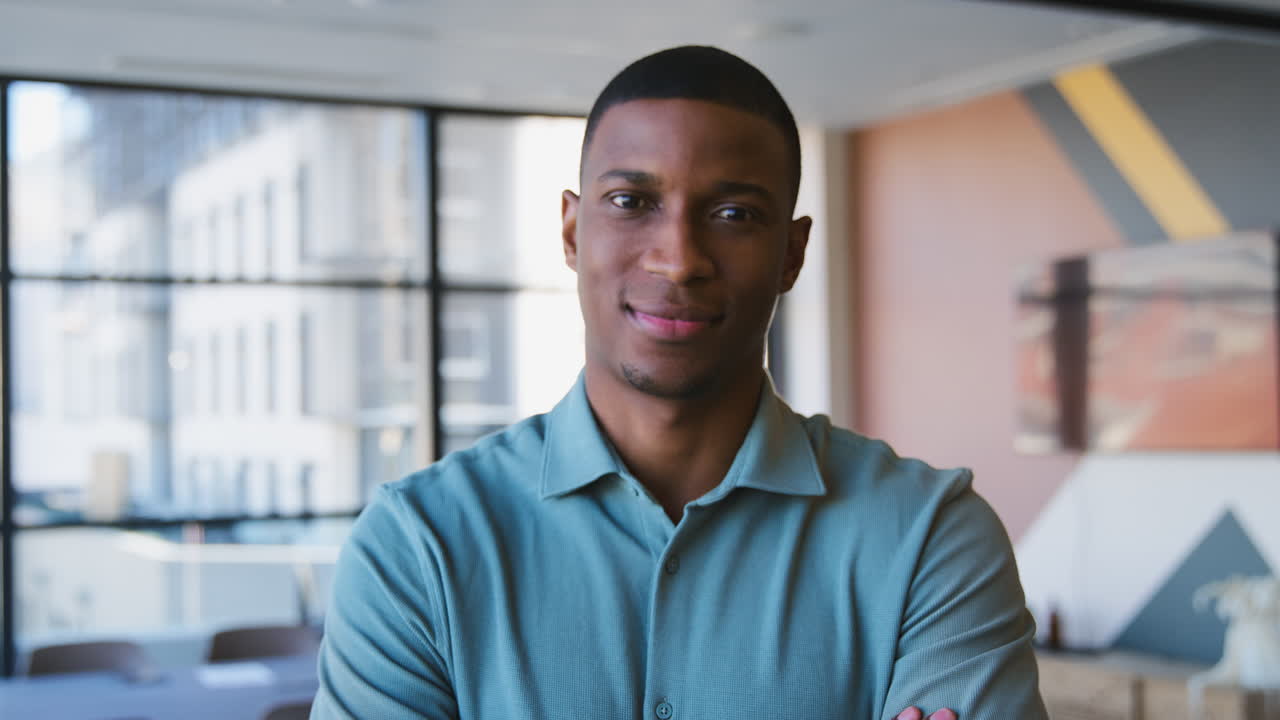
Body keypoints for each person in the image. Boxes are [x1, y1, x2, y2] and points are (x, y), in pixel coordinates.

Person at [311, 45, 1047, 720]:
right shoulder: (420, 547)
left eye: (733, 213)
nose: (678, 259)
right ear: (572, 232)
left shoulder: (928, 537)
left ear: (791, 254)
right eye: (632, 202)